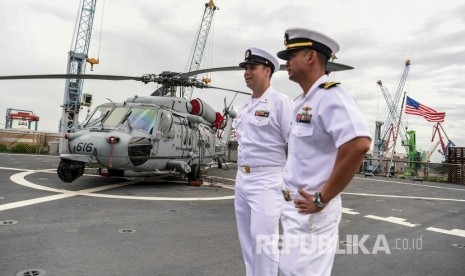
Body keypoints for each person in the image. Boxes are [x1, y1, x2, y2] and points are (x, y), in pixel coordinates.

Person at [276, 28, 372, 276]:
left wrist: (322, 198)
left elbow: (358, 145)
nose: (286, 62)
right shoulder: (302, 102)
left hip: (313, 214)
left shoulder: (332, 95)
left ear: (310, 57)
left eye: (291, 55)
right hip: (295, 211)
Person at [233, 47, 293, 276]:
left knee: (264, 243)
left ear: (267, 71)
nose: (247, 72)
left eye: (252, 68)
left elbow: (294, 146)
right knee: (247, 241)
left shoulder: (281, 103)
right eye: (246, 68)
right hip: (242, 179)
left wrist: (290, 183)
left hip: (268, 179)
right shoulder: (245, 108)